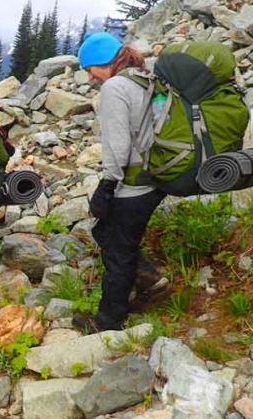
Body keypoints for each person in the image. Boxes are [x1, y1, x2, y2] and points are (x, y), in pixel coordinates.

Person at [72, 33, 171, 333]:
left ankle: (108, 321)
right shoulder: (146, 77)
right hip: (158, 176)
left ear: (105, 61)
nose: (90, 76)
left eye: (90, 68)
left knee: (118, 250)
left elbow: (117, 144)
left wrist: (107, 186)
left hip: (133, 183)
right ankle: (151, 281)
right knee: (107, 231)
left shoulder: (115, 87)